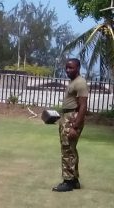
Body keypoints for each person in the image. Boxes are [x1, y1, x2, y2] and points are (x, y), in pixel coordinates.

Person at [52, 58, 89, 192]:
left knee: (67, 150)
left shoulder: (80, 83)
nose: (68, 70)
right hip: (67, 116)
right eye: (66, 68)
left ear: (78, 68)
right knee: (70, 149)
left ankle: (68, 182)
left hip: (72, 118)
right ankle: (74, 180)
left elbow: (83, 106)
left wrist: (75, 127)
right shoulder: (73, 82)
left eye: (71, 68)